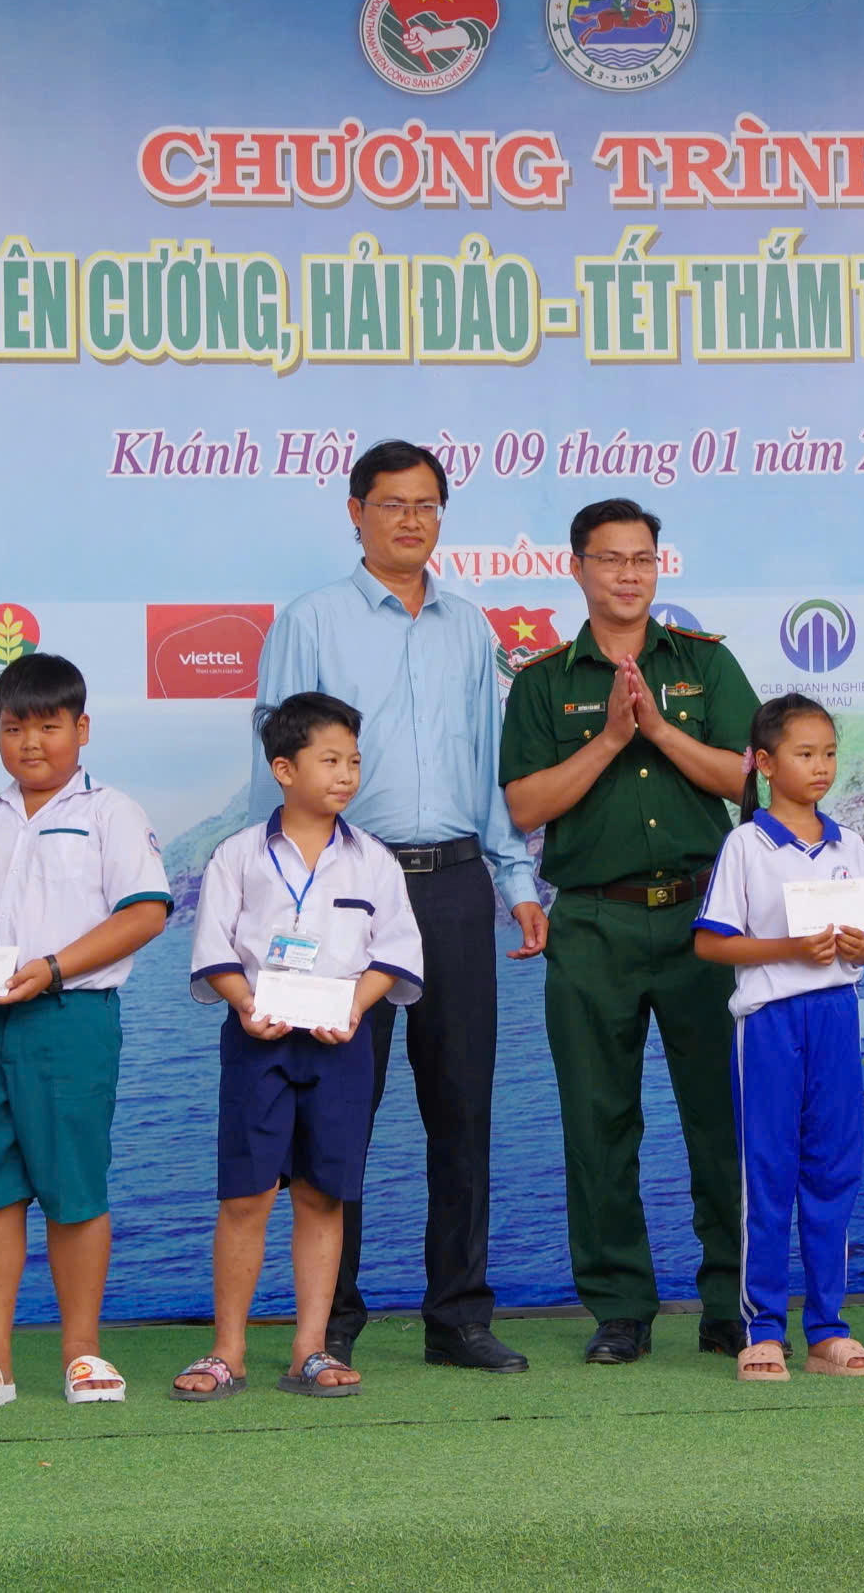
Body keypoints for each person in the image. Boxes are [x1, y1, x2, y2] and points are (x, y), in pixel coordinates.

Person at [251, 439, 544, 1374]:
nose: (411, 520)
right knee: (339, 1108)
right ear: (356, 512)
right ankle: (332, 1317)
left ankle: (458, 1316)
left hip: (455, 884)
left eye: (427, 504)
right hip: (345, 884)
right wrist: (282, 898)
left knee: (462, 1109)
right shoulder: (311, 620)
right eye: (391, 503)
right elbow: (279, 759)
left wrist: (516, 880)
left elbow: (490, 760)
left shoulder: (471, 627)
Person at [501, 497, 760, 1364]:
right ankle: (620, 1309)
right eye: (609, 559)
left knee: (721, 1119)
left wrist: (657, 731)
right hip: (591, 923)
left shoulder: (704, 663)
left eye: (642, 559)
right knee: (598, 1123)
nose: (627, 574)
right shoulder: (543, 682)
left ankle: (732, 1300)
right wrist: (612, 739)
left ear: (659, 566)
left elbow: (750, 781)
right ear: (576, 568)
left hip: (704, 918)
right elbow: (525, 805)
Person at [0, 653, 175, 1409]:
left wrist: (54, 968)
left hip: (70, 1019)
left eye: (49, 726)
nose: (31, 743)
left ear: (81, 728)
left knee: (74, 1187)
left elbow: (145, 912)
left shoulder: (111, 813)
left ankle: (82, 1353)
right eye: (13, 727)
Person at [175, 693, 424, 1402]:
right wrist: (245, 1003)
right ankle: (227, 1351)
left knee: (323, 1195)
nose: (346, 775)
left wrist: (355, 1006)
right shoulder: (237, 855)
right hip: (258, 1043)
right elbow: (215, 950)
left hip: (341, 1044)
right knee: (247, 1195)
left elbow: (395, 950)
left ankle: (310, 1349)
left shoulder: (373, 860)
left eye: (354, 761)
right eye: (329, 760)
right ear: (284, 769)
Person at [693, 694, 864, 1382]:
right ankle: (763, 1330)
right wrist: (788, 949)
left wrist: (860, 948)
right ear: (766, 763)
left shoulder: (849, 844)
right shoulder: (746, 845)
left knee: (834, 1169)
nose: (821, 766)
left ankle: (829, 1330)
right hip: (771, 1022)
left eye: (829, 753)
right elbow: (711, 943)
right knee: (768, 1172)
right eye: (805, 754)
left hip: (835, 1015)